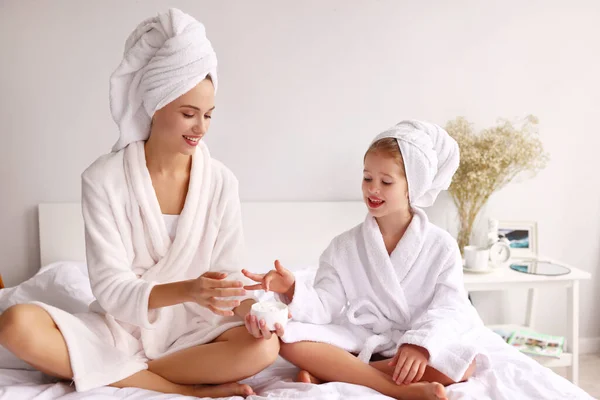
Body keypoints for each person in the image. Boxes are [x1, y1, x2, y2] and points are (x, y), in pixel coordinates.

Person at [0, 8, 283, 398]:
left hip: (194, 333)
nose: (201, 128)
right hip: (118, 329)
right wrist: (189, 289)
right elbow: (111, 287)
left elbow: (226, 280)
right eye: (188, 114)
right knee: (16, 324)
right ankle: (184, 389)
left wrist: (251, 313)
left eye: (208, 115)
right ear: (155, 106)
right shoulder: (103, 179)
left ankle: (119, 373)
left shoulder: (220, 182)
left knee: (265, 347)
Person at [243, 121, 483, 400]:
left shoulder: (441, 246)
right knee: (287, 339)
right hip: (363, 338)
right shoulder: (345, 246)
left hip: (418, 343)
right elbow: (325, 306)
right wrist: (291, 288)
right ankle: (391, 386)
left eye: (386, 181)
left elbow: (450, 308)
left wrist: (419, 345)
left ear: (412, 187)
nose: (373, 189)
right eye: (368, 178)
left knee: (465, 364)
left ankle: (334, 372)